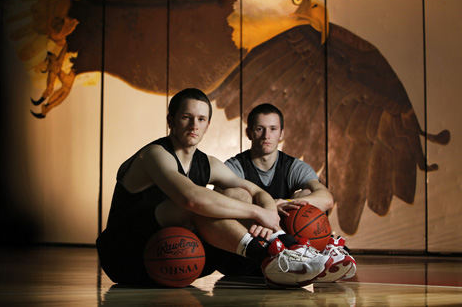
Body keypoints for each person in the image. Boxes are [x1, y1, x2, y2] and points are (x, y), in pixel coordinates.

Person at [96, 89, 333, 288]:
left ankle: (286, 250)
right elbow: (192, 199)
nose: (194, 125)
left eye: (201, 119)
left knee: (237, 194)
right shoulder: (154, 155)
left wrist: (268, 209)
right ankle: (274, 254)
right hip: (127, 257)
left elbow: (256, 192)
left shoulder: (207, 163)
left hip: (175, 256)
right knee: (199, 205)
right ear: (171, 120)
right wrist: (257, 213)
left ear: (208, 124)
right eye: (186, 117)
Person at [224, 103, 356, 281]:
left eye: (273, 129)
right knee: (235, 194)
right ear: (249, 133)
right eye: (259, 129)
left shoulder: (293, 166)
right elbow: (222, 205)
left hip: (288, 251)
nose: (266, 135)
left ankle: (307, 251)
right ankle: (295, 252)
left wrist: (284, 203)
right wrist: (267, 211)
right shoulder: (234, 166)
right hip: (246, 252)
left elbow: (326, 199)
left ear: (282, 134)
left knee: (305, 195)